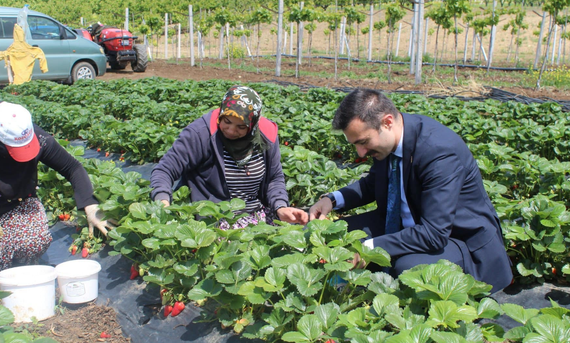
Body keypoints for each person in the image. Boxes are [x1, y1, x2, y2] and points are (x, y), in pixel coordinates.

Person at [308, 88, 512, 292]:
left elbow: (434, 234)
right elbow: (373, 183)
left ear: (387, 122)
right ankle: (335, 289)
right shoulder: (389, 142)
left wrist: (367, 248)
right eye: (355, 144)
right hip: (407, 224)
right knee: (332, 234)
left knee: (408, 269)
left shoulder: (439, 152)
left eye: (363, 142)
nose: (360, 152)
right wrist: (332, 200)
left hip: (459, 240)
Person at [0, 101, 114, 280]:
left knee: (35, 240)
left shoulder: (32, 136)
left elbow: (72, 168)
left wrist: (90, 205)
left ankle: (20, 275)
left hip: (14, 208)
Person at [150, 85, 307, 229]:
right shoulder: (201, 133)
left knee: (291, 242)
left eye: (241, 127)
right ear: (221, 113)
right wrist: (162, 200)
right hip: (216, 218)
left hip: (257, 212)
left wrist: (281, 206)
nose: (231, 131)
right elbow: (165, 169)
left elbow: (274, 177)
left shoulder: (266, 137)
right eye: (227, 121)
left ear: (252, 125)